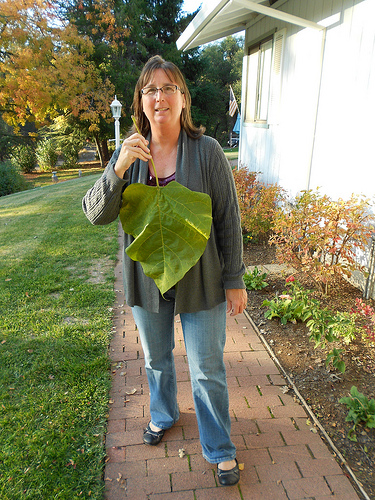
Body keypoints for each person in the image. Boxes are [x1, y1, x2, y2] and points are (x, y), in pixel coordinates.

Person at [82, 55, 247, 486]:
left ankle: (219, 447)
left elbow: (228, 218)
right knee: (156, 360)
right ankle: (163, 414)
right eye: (151, 89)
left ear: (183, 98)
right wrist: (117, 168)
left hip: (203, 280)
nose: (160, 97)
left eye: (168, 88)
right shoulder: (129, 153)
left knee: (207, 367)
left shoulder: (207, 152)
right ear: (141, 99)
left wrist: (235, 280)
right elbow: (95, 214)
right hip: (147, 278)